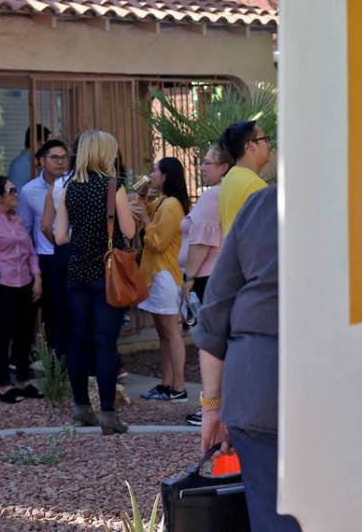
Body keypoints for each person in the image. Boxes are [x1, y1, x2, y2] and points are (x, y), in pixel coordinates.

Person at [194, 184, 301, 531]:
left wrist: (212, 404)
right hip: (338, 380)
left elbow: (215, 311)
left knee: (273, 516)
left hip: (256, 382)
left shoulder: (261, 204)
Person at [53, 130, 137, 434]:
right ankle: (109, 414)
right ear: (104, 153)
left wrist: (83, 235)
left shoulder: (69, 188)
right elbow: (127, 231)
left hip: (76, 274)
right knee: (105, 344)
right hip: (107, 275)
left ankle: (81, 407)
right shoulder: (113, 187)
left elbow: (60, 237)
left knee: (78, 340)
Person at [0, 176, 43, 404]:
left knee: (25, 333)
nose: (16, 194)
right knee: (4, 334)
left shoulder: (18, 220)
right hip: (3, 285)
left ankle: (23, 380)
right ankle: (4, 385)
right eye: (11, 190)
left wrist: (37, 277)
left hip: (25, 281)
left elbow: (30, 251)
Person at [179, 144, 232, 425]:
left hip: (206, 276)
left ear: (224, 167)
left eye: (207, 163)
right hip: (217, 275)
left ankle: (211, 406)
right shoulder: (230, 194)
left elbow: (200, 242)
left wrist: (189, 278)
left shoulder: (213, 196)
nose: (202, 167)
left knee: (210, 343)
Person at [130, 157, 190, 402]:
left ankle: (179, 387)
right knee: (163, 333)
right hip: (156, 275)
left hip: (165, 274)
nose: (151, 174)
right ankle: (167, 383)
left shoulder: (172, 205)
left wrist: (145, 218)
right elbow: (144, 222)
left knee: (171, 332)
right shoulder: (163, 202)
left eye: (155, 171)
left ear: (165, 176)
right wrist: (142, 199)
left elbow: (156, 241)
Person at [19, 139, 71, 358]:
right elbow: (25, 228)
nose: (60, 162)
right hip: (47, 257)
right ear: (41, 161)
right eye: (54, 157)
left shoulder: (74, 183)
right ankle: (56, 363)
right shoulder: (29, 191)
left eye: (63, 157)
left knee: (76, 310)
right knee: (53, 313)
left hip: (75, 253)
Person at [217, 121, 271, 236]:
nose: (268, 145)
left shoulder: (229, 178)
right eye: (265, 139)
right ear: (249, 146)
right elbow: (262, 235)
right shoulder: (254, 185)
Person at [8, 124, 50, 191]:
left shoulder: (33, 162)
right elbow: (17, 196)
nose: (48, 149)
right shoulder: (21, 165)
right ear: (39, 143)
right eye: (47, 144)